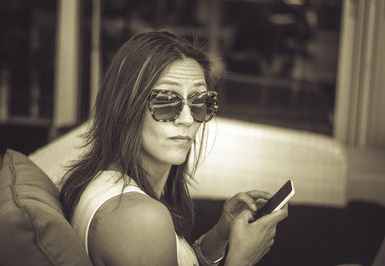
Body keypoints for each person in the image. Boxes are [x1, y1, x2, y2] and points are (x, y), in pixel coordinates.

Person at [60, 31, 288, 266]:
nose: (188, 119)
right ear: (126, 107)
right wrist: (242, 259)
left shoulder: (109, 187)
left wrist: (219, 235)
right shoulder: (140, 218)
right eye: (166, 101)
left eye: (200, 101)